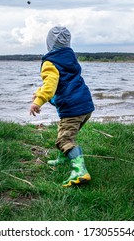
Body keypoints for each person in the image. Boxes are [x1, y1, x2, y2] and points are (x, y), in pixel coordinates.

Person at [30, 26, 95, 187]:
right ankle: (64, 157)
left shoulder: (50, 63)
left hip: (72, 108)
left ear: (49, 43)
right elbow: (63, 81)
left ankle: (80, 170)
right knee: (65, 132)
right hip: (85, 105)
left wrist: (38, 101)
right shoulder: (70, 58)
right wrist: (39, 92)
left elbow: (51, 85)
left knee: (64, 139)